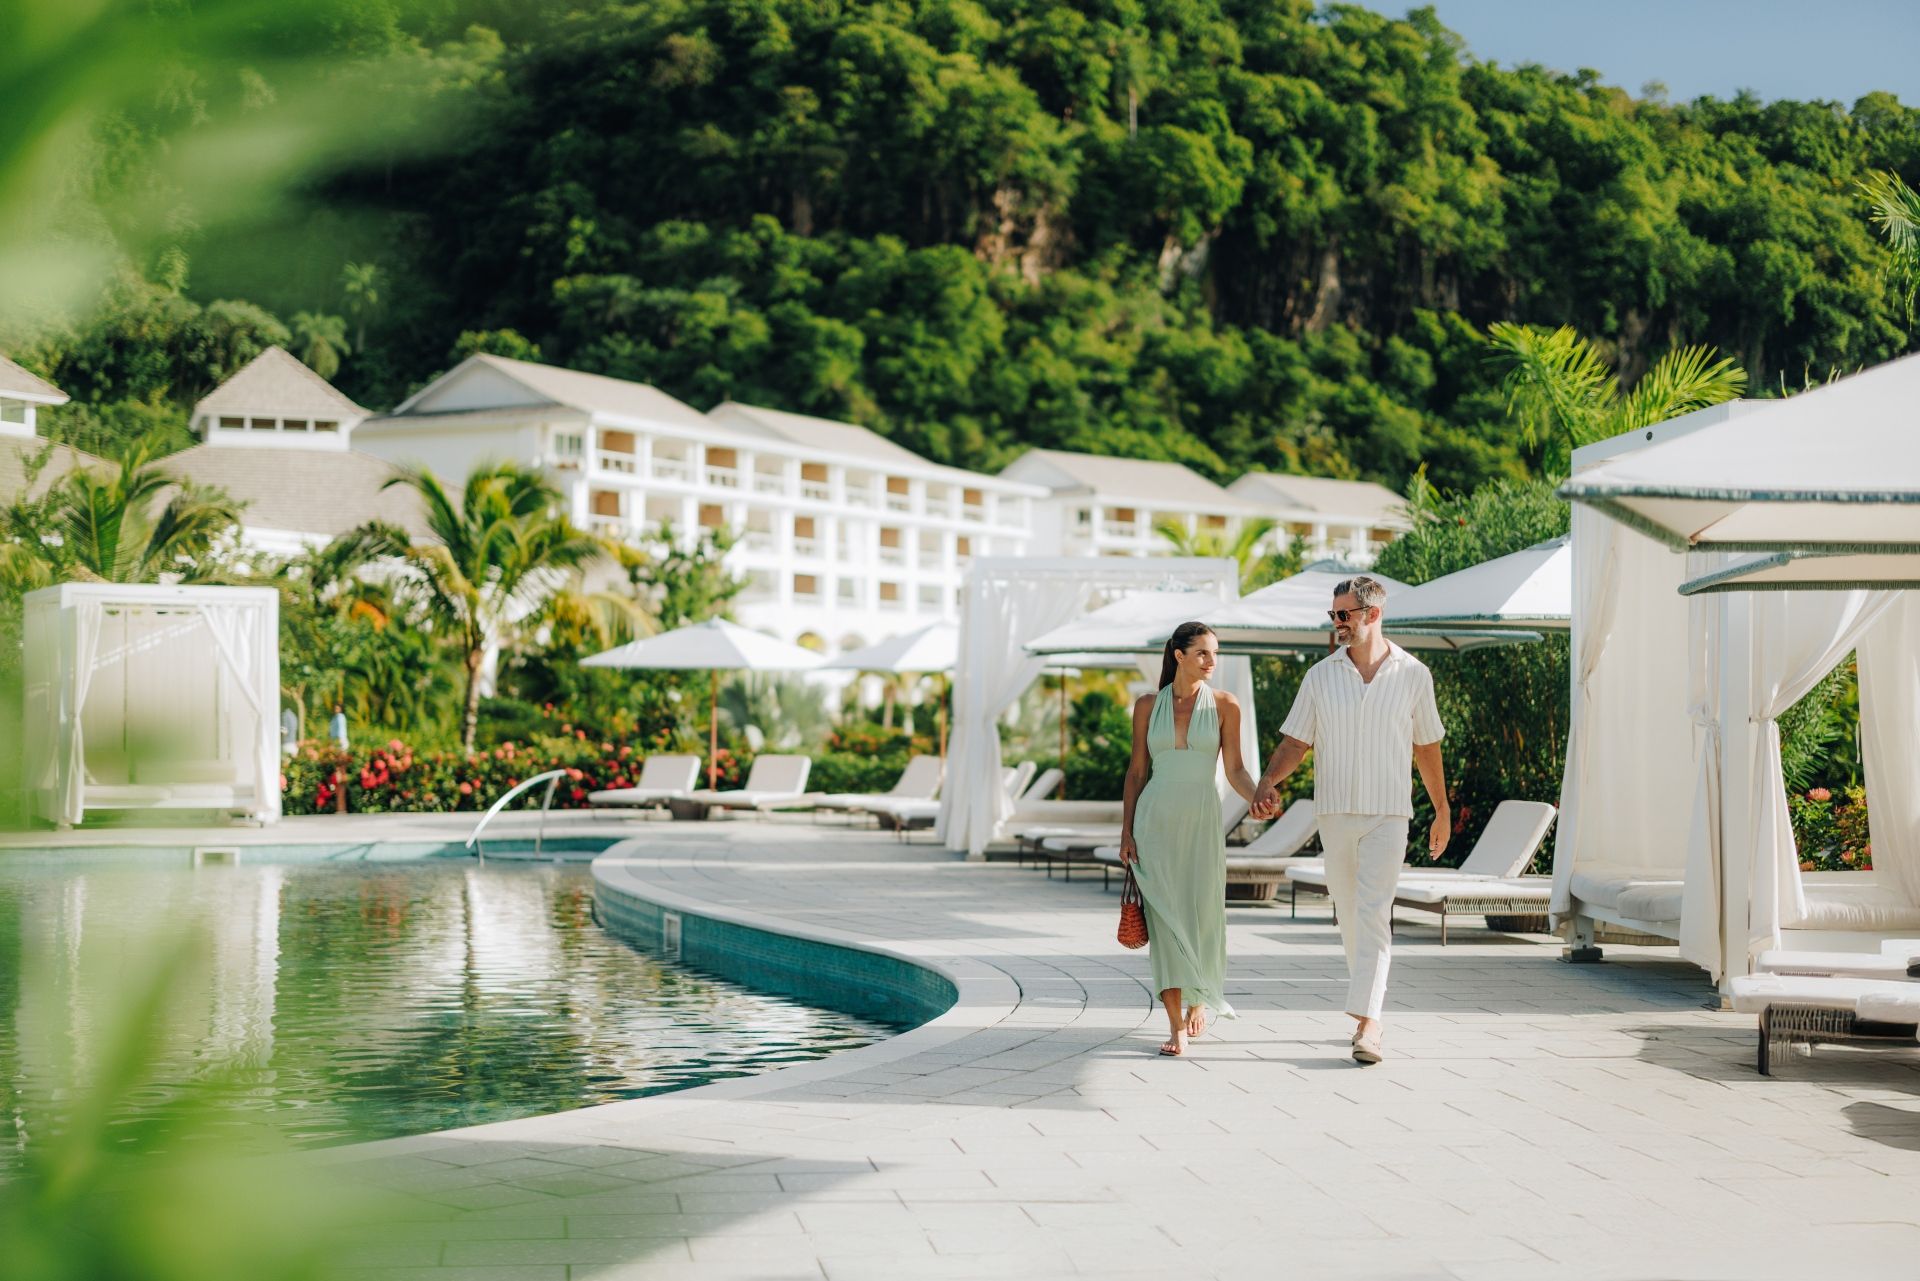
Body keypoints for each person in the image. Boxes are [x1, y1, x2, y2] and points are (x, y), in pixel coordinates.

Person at [1250, 575, 1449, 1066]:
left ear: (1372, 614)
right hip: (1334, 812)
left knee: (1374, 911)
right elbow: (1297, 742)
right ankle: (1369, 1007)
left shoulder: (1413, 674)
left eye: (1344, 615)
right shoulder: (1319, 676)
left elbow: (1426, 747)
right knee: (1349, 912)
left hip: (1389, 813)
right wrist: (1268, 781)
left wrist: (1441, 809)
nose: (1336, 623)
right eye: (1333, 615)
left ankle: (1369, 1024)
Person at [1118, 621, 1262, 1058]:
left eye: (1214, 653)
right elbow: (1138, 771)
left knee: (1201, 915)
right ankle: (1176, 1025)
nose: (1212, 661)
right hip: (1154, 823)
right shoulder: (1147, 705)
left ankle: (1199, 997)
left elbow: (1235, 770)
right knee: (1164, 923)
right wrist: (1126, 830)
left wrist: (1259, 796)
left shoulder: (1225, 705)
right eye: (1202, 652)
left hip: (1201, 823)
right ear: (1178, 655)